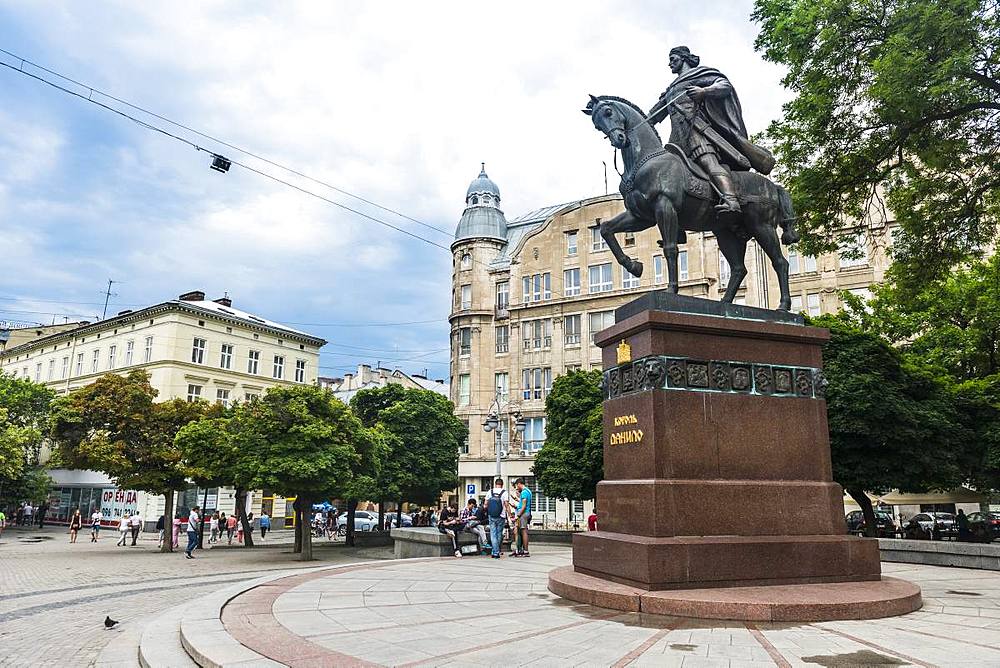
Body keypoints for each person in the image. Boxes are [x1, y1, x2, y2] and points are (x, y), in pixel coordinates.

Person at [647, 46, 786, 234]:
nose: (670, 62)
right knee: (669, 179)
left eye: (673, 58)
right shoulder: (671, 89)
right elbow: (656, 114)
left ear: (684, 58)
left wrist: (704, 91)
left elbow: (724, 85)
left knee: (708, 162)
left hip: (698, 131)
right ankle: (677, 227)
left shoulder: (700, 74)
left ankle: (731, 200)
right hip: (677, 139)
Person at [485, 478, 511, 559]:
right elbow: (506, 505)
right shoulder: (504, 492)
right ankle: (497, 551)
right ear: (502, 484)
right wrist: (510, 514)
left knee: (493, 534)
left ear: (495, 484)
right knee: (499, 533)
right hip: (501, 516)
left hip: (492, 516)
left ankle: (495, 551)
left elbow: (485, 504)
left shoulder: (490, 492)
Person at [511, 478, 532, 558]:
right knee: (522, 531)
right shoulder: (528, 491)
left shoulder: (524, 492)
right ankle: (522, 550)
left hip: (523, 514)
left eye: (517, 485)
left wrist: (518, 515)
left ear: (519, 484)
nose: (516, 487)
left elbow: (523, 506)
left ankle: (525, 551)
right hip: (526, 513)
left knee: (523, 531)